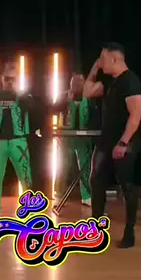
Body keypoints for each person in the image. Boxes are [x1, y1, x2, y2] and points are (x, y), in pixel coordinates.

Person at [83, 43, 141, 249]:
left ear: (115, 59)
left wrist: (123, 142)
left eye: (103, 59)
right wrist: (95, 68)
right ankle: (95, 228)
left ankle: (129, 232)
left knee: (126, 186)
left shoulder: (131, 81)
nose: (101, 62)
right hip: (106, 141)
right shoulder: (110, 81)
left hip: (124, 142)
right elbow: (87, 92)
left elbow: (136, 115)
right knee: (96, 181)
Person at [0, 62, 35, 224]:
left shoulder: (24, 97)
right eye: (7, 78)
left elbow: (34, 112)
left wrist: (19, 92)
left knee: (25, 176)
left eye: (13, 79)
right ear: (1, 78)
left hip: (19, 141)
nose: (10, 82)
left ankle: (31, 211)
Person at [53, 73, 94, 207]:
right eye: (74, 81)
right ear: (70, 83)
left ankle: (86, 196)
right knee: (62, 168)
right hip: (66, 138)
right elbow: (53, 110)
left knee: (85, 168)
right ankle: (58, 196)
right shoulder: (62, 96)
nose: (77, 84)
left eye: (80, 81)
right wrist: (65, 102)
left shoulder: (88, 97)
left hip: (83, 138)